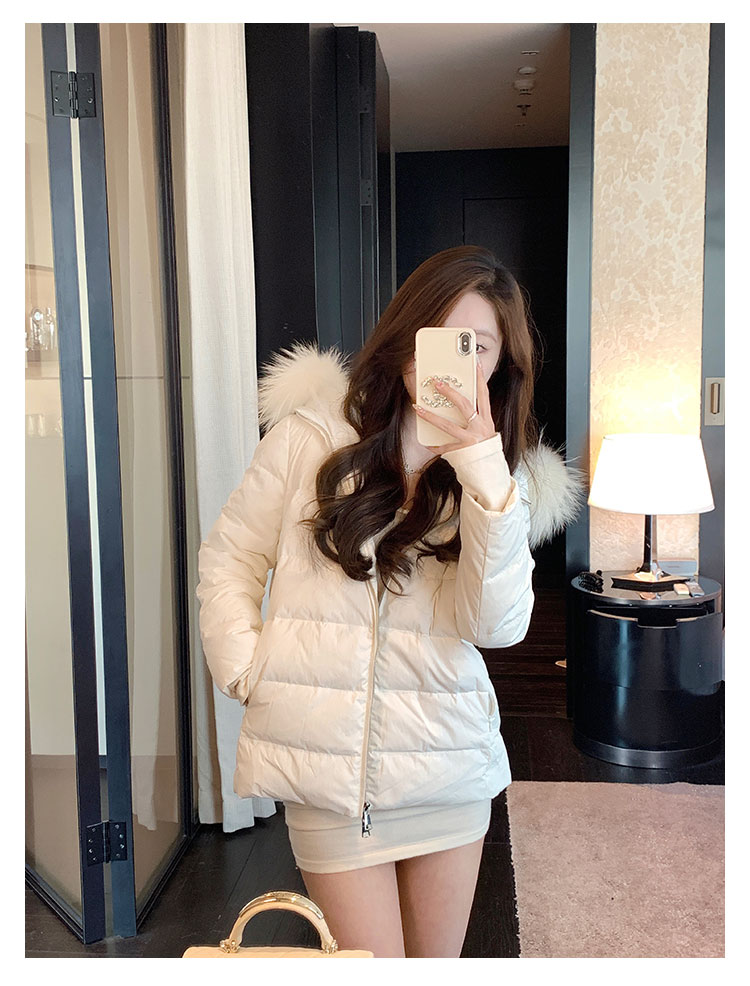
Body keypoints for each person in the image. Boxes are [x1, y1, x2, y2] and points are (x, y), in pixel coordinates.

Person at [196, 245, 585, 957]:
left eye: (477, 345)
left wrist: (481, 474)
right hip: (328, 772)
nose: (454, 358)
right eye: (440, 333)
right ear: (407, 333)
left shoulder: (502, 478)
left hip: (447, 765)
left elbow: (496, 626)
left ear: (500, 363)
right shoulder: (309, 438)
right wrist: (248, 668)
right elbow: (230, 558)